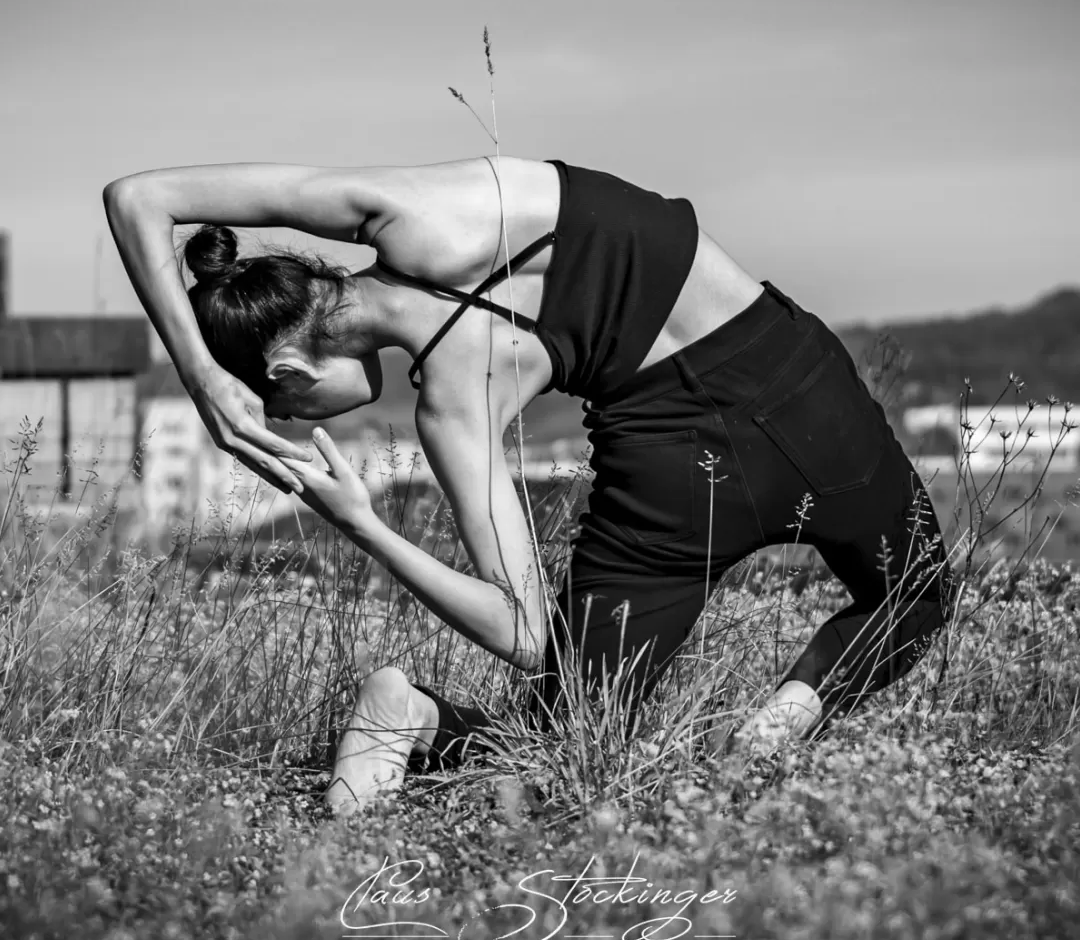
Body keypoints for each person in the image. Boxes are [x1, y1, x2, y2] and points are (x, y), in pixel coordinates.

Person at [104, 155, 953, 814]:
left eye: (275, 400)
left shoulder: (453, 407)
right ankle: (772, 733)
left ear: (285, 364)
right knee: (915, 597)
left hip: (667, 483)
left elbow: (520, 631)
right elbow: (142, 196)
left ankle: (410, 715)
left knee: (565, 745)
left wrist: (354, 516)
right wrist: (209, 377)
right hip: (801, 396)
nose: (290, 419)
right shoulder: (428, 208)